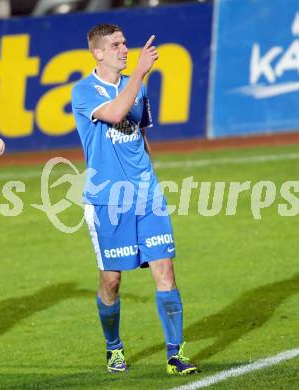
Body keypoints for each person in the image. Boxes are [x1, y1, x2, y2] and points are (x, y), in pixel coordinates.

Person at [71, 24, 197, 375]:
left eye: (125, 43)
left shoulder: (138, 87)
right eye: (116, 45)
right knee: (111, 280)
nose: (125, 49)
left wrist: (151, 181)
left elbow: (140, 135)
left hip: (147, 197)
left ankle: (176, 354)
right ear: (98, 53)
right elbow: (113, 114)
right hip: (108, 203)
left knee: (166, 271)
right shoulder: (83, 91)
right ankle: (113, 348)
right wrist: (139, 71)